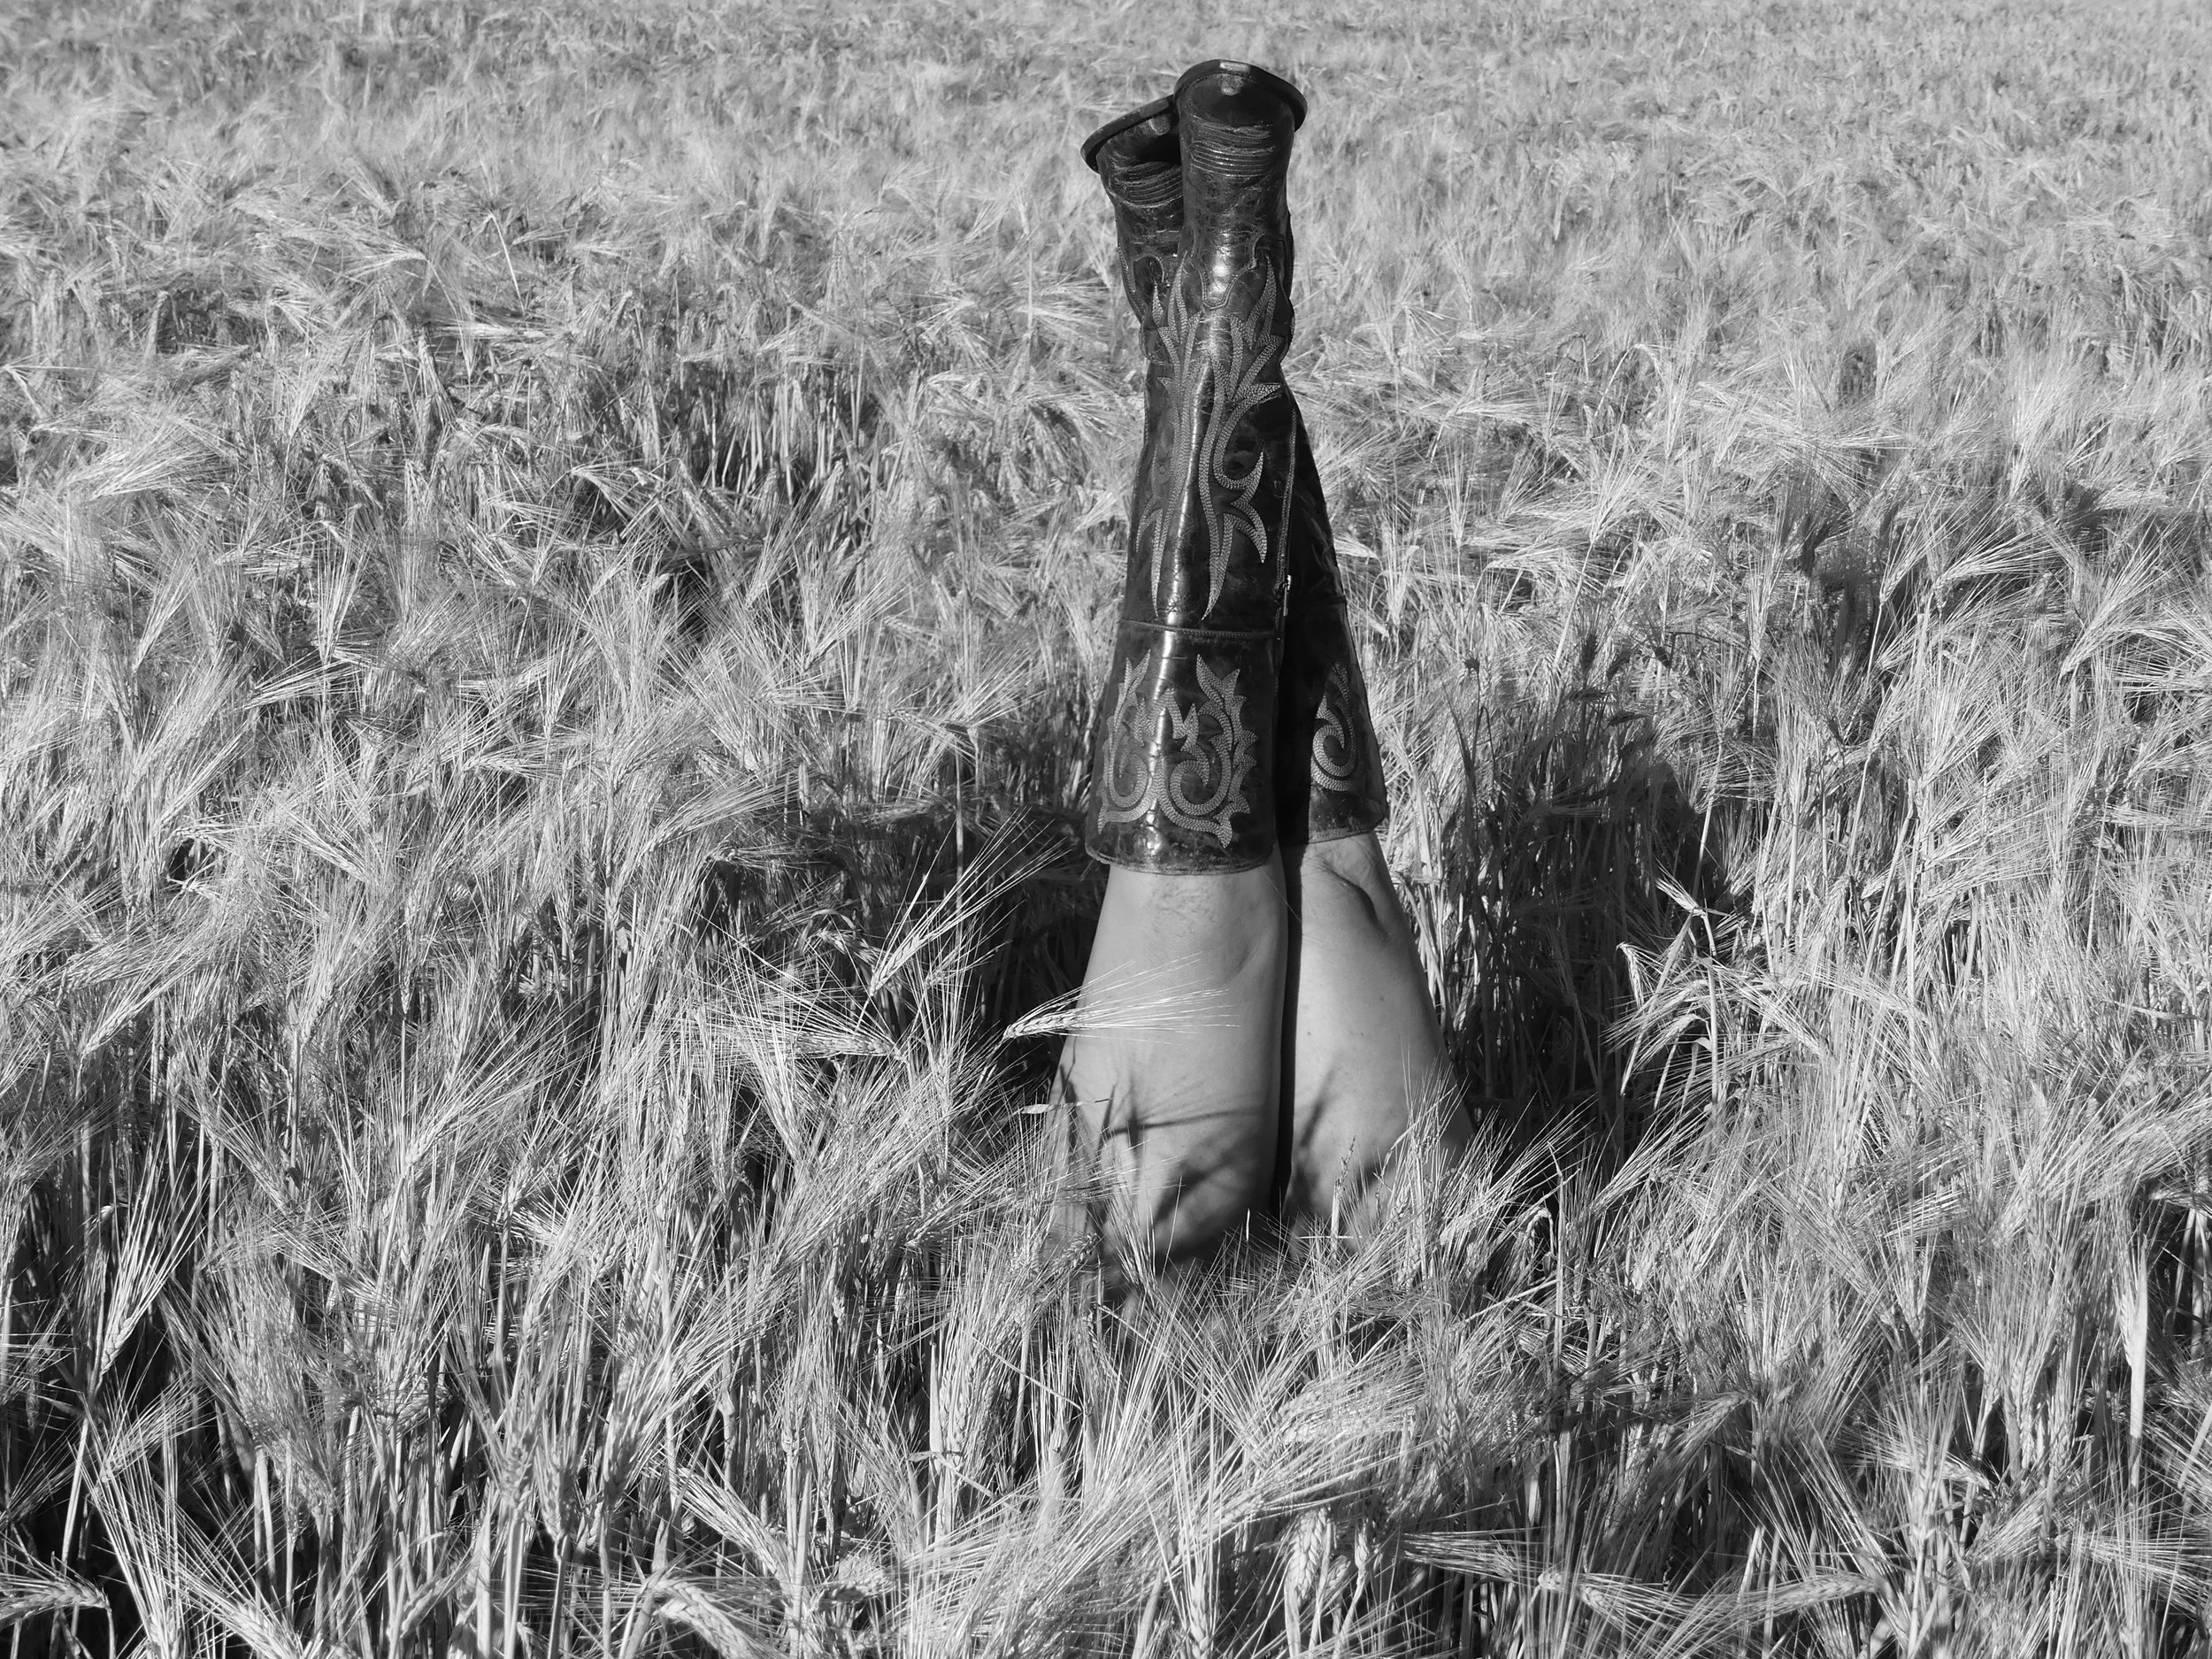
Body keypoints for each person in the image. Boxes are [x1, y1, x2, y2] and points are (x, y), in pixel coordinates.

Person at [1055, 61, 1466, 1270]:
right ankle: (1209, 323)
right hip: (1331, 1386)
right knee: (1298, 865)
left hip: (1313, 1395)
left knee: (1301, 861)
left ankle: (1205, 317)